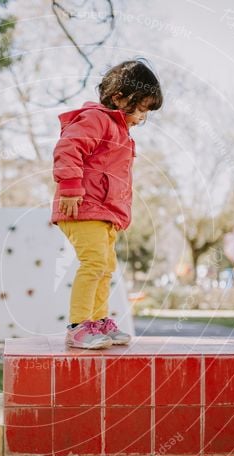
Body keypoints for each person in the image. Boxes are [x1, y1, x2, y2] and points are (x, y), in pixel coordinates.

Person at [51, 58, 163, 349]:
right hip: (82, 206)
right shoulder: (97, 119)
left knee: (106, 267)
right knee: (94, 264)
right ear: (119, 98)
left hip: (104, 213)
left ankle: (98, 322)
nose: (141, 117)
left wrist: (120, 214)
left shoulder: (122, 134)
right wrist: (70, 186)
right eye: (140, 108)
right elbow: (68, 147)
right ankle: (78, 327)